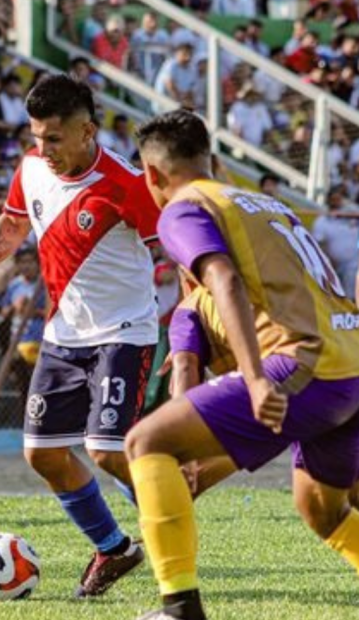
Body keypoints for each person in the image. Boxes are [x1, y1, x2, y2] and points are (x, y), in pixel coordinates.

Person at [126, 109, 359, 620]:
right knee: (321, 509)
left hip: (303, 366)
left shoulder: (183, 209)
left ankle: (178, 609)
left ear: (151, 176)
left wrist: (254, 377)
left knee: (145, 442)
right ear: (209, 158)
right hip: (350, 364)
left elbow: (224, 281)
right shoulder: (264, 204)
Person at [0, 74, 160, 597]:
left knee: (104, 448)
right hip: (64, 334)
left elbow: (173, 246)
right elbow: (12, 227)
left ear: (87, 131)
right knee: (42, 453)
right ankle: (114, 548)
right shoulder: (32, 168)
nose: (43, 149)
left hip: (124, 331)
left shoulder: (126, 183)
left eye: (54, 138)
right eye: (36, 137)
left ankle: (168, 514)